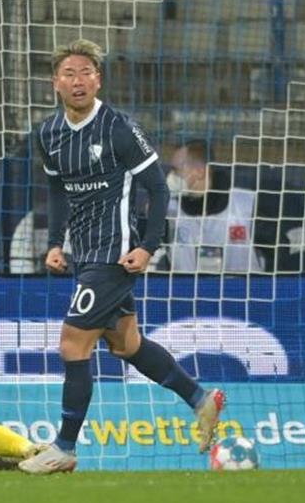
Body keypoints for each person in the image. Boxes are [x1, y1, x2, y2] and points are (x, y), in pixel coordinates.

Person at [20, 39, 225, 474]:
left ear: (99, 80)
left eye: (87, 73)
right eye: (69, 74)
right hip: (84, 252)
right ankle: (200, 399)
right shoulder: (48, 134)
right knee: (125, 343)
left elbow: (159, 187)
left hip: (115, 253)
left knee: (72, 343)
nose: (78, 81)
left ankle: (64, 447)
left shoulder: (117, 128)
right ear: (55, 83)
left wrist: (147, 246)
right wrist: (56, 242)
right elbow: (57, 189)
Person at [154, 139, 296, 273]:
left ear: (199, 171)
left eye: (176, 170)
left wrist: (268, 288)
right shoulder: (168, 210)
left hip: (243, 296)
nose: (170, 176)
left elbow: (280, 249)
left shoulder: (245, 206)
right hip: (184, 297)